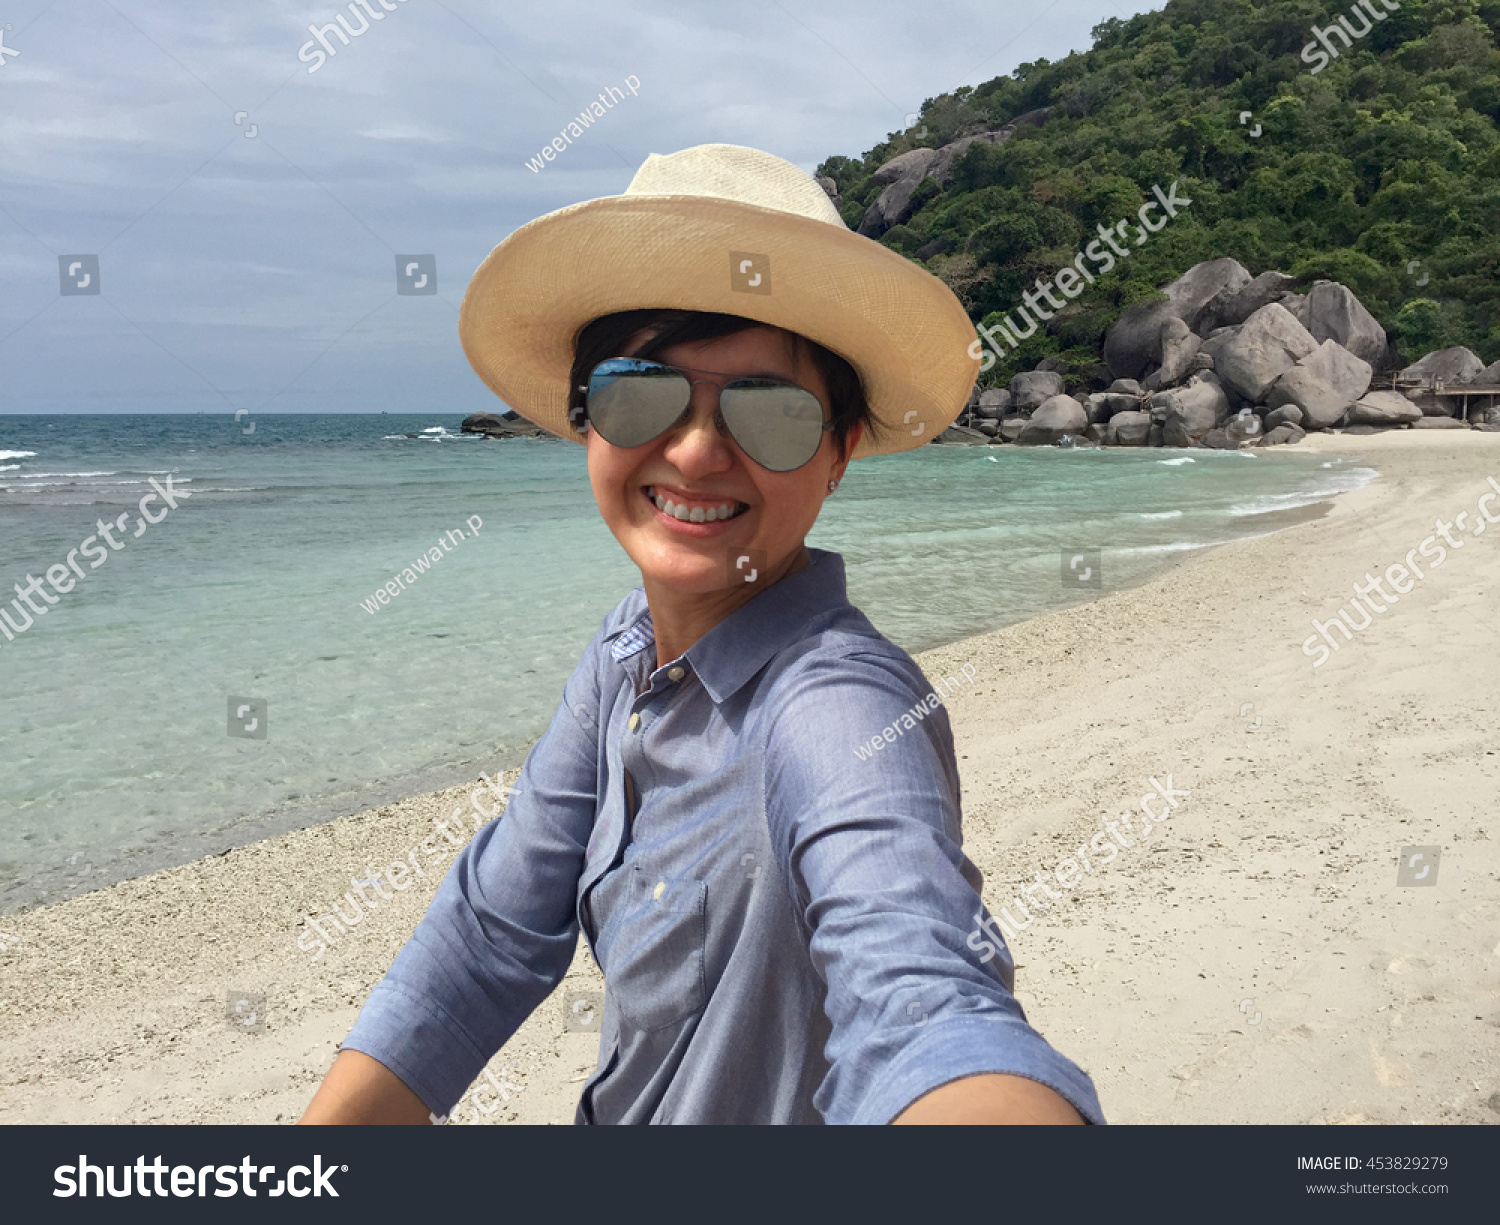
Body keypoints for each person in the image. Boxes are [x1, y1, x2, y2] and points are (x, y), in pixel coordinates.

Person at [301, 143, 1103, 1125]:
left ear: (839, 452)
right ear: (587, 417)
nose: (692, 449)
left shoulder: (842, 703)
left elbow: (921, 996)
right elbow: (488, 939)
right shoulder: (622, 660)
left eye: (770, 411)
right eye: (644, 393)